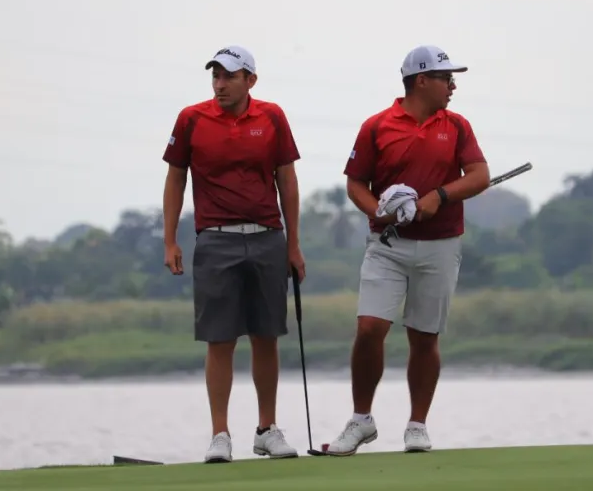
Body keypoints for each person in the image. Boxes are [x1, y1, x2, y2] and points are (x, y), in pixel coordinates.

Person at [325, 45, 491, 456]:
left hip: (440, 246)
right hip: (387, 246)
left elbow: (480, 175)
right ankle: (361, 420)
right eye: (445, 78)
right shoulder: (377, 126)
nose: (452, 86)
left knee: (424, 336)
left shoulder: (457, 126)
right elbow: (355, 184)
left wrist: (439, 195)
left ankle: (417, 425)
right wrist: (380, 211)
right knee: (369, 329)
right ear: (421, 80)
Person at [161, 45, 306, 463]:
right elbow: (175, 180)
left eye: (229, 76)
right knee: (219, 339)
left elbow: (287, 182)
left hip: (266, 236)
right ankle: (220, 434)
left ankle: (266, 429)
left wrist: (293, 243)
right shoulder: (192, 119)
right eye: (215, 76)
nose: (220, 84)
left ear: (250, 80)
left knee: (266, 336)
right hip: (215, 238)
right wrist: (170, 239)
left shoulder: (272, 117)